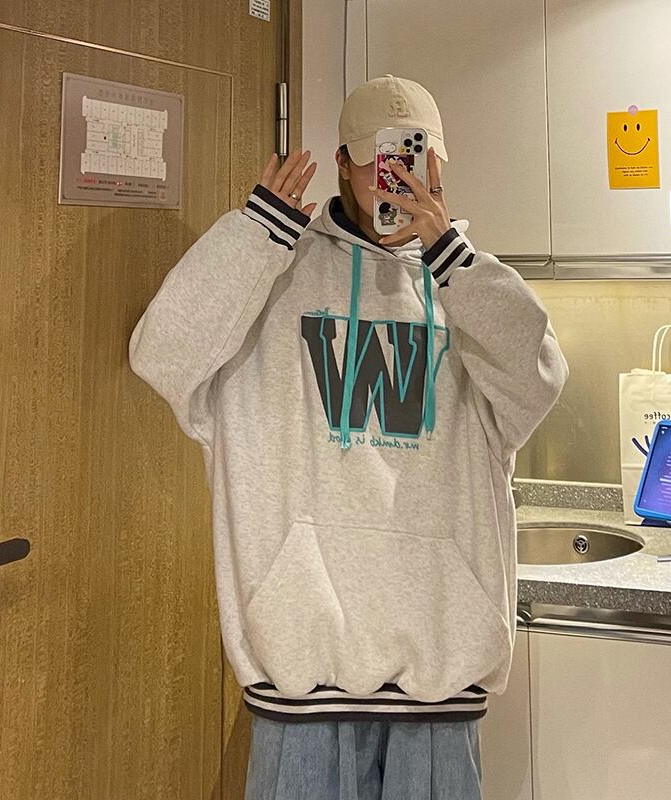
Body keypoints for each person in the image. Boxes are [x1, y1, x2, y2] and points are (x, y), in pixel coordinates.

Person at [128, 74, 568, 799]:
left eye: (413, 157)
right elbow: (162, 356)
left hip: (438, 685)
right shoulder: (275, 272)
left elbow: (540, 377)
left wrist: (451, 261)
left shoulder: (467, 288)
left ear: (438, 162)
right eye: (375, 160)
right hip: (301, 681)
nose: (395, 177)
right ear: (341, 162)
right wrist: (253, 236)